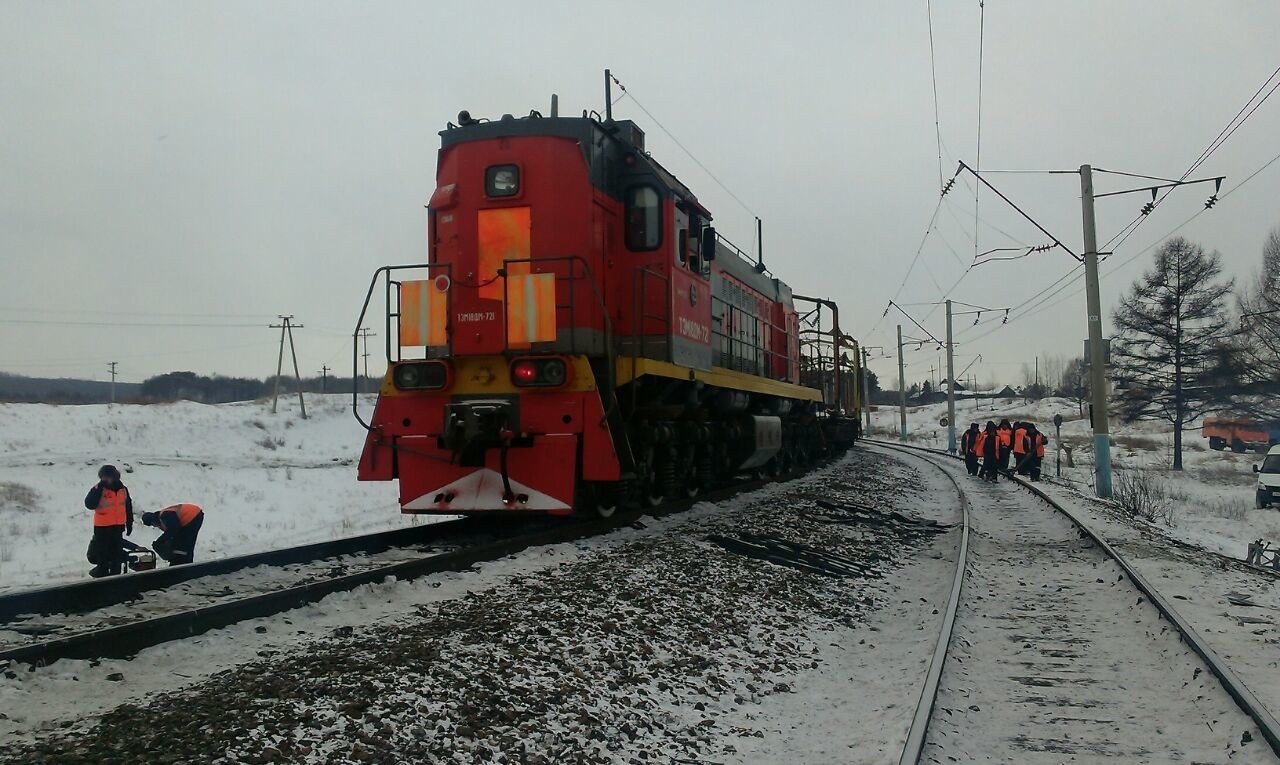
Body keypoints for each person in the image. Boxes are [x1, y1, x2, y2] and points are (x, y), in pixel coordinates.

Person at [85, 464, 133, 578]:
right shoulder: (98, 488)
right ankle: (102, 576)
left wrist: (129, 523)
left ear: (114, 476)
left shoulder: (123, 489)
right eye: (103, 477)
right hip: (102, 528)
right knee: (103, 556)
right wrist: (98, 490)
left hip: (118, 527)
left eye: (107, 477)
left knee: (116, 556)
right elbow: (89, 504)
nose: (105, 480)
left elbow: (128, 507)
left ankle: (115, 578)